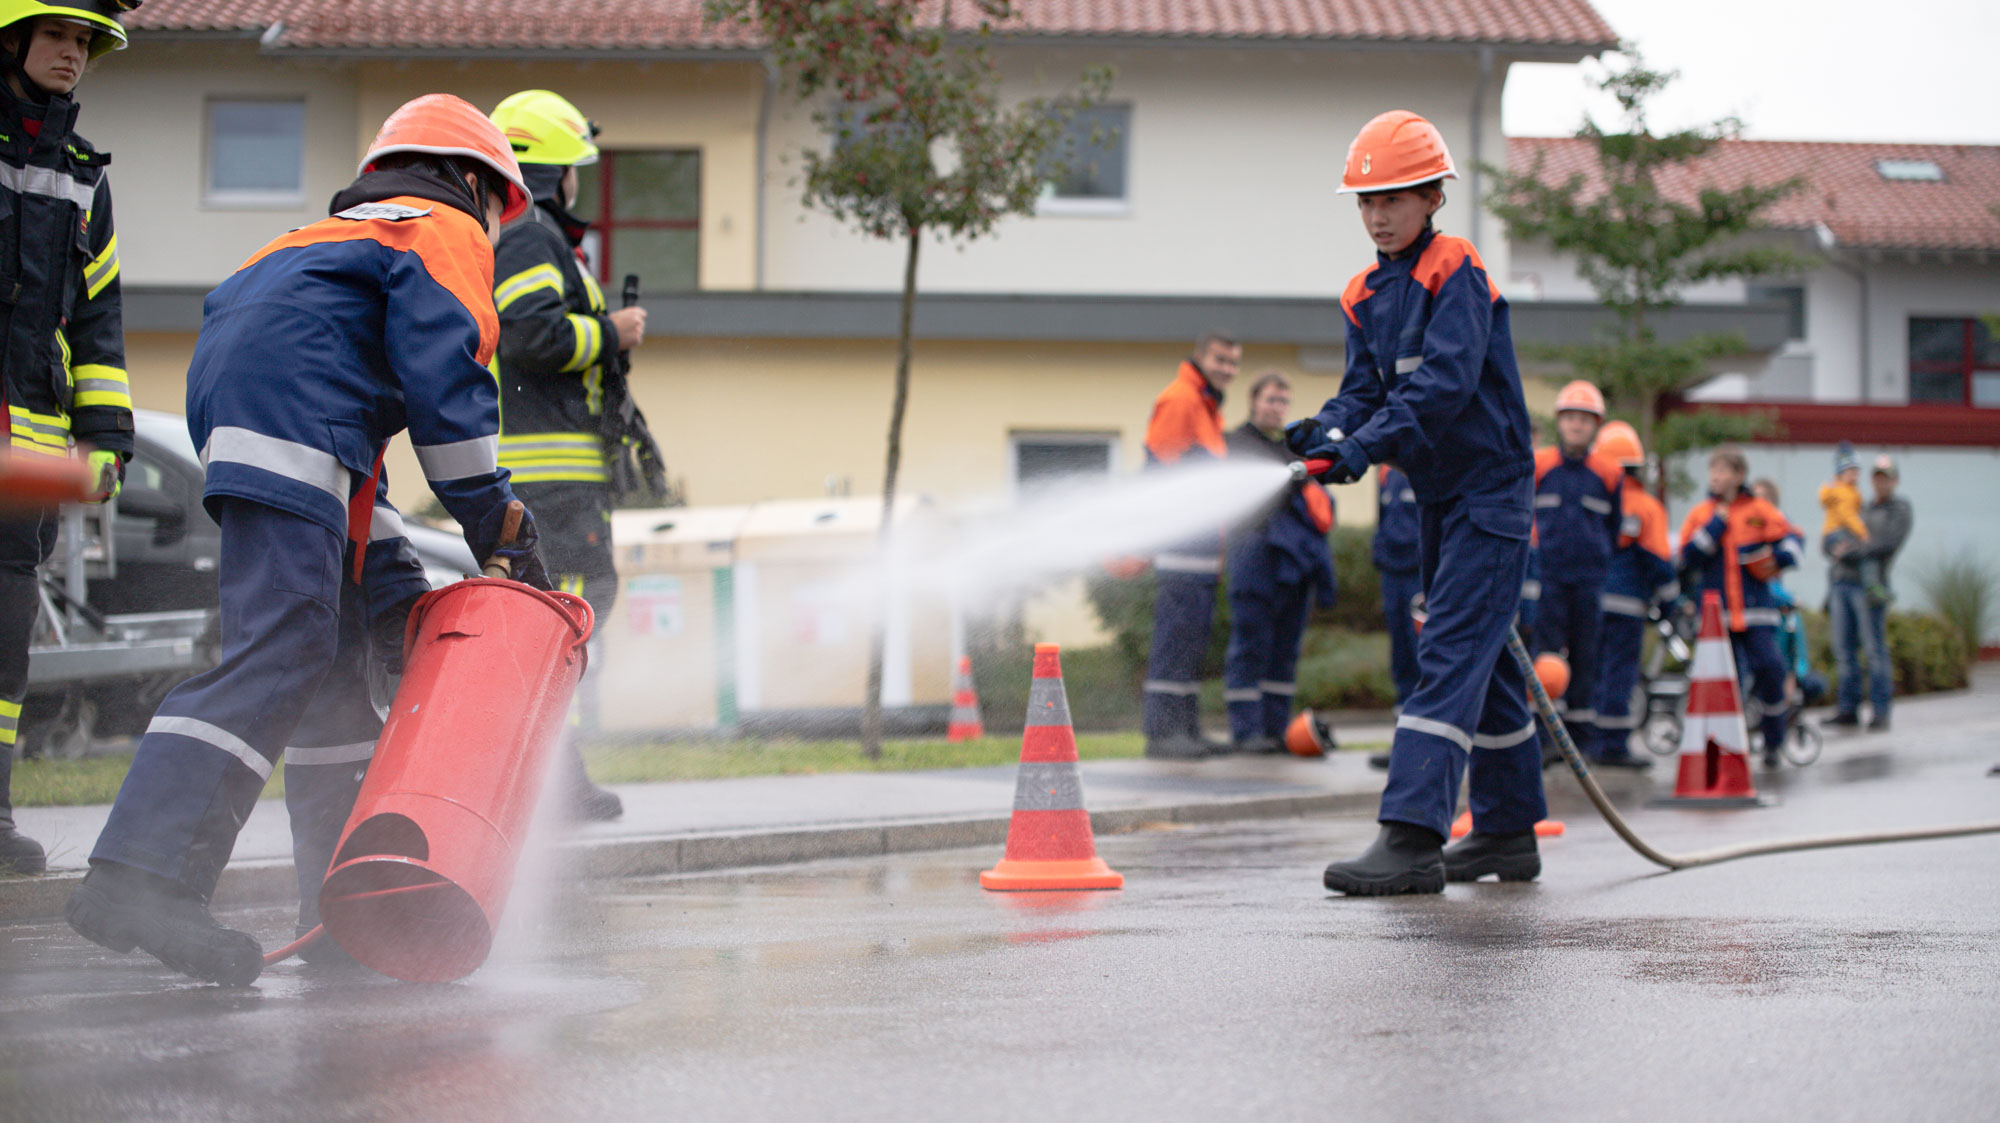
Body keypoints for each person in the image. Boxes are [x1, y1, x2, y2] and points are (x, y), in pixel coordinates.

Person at [65, 94, 548, 987]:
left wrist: (399, 575)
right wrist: (499, 522)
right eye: (497, 208)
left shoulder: (330, 238)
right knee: (283, 644)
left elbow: (350, 403)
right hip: (299, 420)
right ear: (472, 179)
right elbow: (452, 388)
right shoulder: (441, 224)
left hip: (277, 419)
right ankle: (140, 875)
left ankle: (336, 906)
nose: (494, 228)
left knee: (340, 660)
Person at [1287, 110, 1543, 894]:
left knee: (1450, 650)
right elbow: (1365, 389)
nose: (1378, 214)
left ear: (1433, 197)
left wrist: (1367, 445)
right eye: (1366, 201)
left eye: (1393, 198)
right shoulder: (1363, 292)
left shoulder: (1455, 268)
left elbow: (1444, 382)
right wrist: (1328, 430)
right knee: (1488, 657)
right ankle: (1505, 832)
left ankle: (1411, 836)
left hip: (1490, 492)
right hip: (1439, 495)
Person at [0, 0, 138, 876]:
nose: (72, 55)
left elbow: (99, 326)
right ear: (11, 40)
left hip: (30, 462)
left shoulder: (84, 175)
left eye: (84, 42)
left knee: (6, 649)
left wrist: (107, 441)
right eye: (57, 36)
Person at [488, 89, 641, 820]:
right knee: (570, 620)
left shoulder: (531, 236)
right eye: (575, 165)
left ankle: (555, 775)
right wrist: (612, 332)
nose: (581, 180)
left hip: (556, 480)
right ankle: (548, 775)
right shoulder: (530, 236)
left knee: (564, 623)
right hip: (552, 484)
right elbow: (529, 334)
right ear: (552, 174)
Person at [1222, 371, 1335, 753]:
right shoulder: (1237, 444)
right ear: (1253, 401)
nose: (1277, 408)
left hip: (1293, 568)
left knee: (1284, 653)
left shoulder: (1293, 451)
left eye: (1283, 402)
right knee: (1250, 648)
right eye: (1271, 400)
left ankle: (1275, 730)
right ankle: (1246, 732)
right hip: (1254, 563)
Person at [1141, 330, 1238, 759]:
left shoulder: (1205, 403)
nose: (1227, 370)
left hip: (1200, 549)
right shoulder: (1182, 399)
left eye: (1233, 363)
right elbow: (1158, 468)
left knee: (1192, 643)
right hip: (1181, 545)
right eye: (1220, 360)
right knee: (1175, 640)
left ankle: (1186, 729)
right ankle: (1163, 734)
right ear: (1201, 357)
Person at [1677, 446, 1797, 759]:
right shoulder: (1701, 514)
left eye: (1722, 471)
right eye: (1712, 471)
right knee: (1721, 684)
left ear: (1739, 476)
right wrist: (1716, 527)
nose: (1715, 477)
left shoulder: (1759, 509)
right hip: (1718, 618)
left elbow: (1791, 537)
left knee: (1771, 669)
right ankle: (1722, 749)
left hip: (1757, 613)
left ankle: (1774, 741)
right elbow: (1686, 557)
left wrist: (1780, 558)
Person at [1531, 380, 1622, 760]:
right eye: (1570, 418)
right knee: (1547, 658)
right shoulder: (1540, 466)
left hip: (1589, 580)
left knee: (1587, 658)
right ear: (1560, 422)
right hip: (1548, 578)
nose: (1577, 425)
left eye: (1584, 419)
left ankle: (1581, 740)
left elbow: (1614, 528)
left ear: (1596, 425)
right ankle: (1545, 738)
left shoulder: (1608, 472)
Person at [1587, 421, 1673, 769]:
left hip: (1587, 602)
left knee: (1590, 672)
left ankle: (1587, 741)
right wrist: (1670, 605)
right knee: (1620, 674)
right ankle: (1613, 746)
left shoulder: (1591, 501)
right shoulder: (1646, 507)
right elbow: (1659, 565)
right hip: (1627, 607)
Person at [1826, 455, 1911, 731]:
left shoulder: (1898, 509)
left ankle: (1881, 710)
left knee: (1874, 649)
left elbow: (1886, 543)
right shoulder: (1858, 503)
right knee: (1844, 649)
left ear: (1894, 480)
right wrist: (1833, 547)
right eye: (1877, 476)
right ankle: (1848, 709)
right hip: (1842, 583)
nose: (1881, 482)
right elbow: (1834, 531)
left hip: (1871, 588)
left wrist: (1851, 553)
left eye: (1886, 477)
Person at [1363, 464, 1421, 771]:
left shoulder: (1430, 456)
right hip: (1393, 573)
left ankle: (1424, 744)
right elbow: (1383, 517)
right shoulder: (1386, 469)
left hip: (1421, 575)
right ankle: (1403, 742)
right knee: (1401, 662)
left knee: (1423, 658)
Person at [1819, 442, 1887, 604]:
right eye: (1851, 471)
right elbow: (1847, 516)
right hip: (1838, 533)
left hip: (1831, 534)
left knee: (1840, 558)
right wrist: (1863, 532)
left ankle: (1830, 596)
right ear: (1841, 473)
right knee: (1865, 554)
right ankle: (1872, 587)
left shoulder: (1845, 491)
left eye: (1857, 471)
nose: (1855, 475)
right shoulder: (1845, 493)